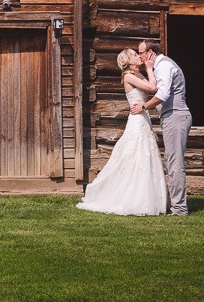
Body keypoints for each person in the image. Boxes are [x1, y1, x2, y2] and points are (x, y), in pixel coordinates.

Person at [77, 48, 169, 215]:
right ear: (128, 61)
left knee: (145, 153)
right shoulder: (128, 76)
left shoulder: (138, 75)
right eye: (135, 55)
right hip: (137, 120)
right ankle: (127, 196)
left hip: (144, 117)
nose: (138, 56)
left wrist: (147, 71)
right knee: (134, 154)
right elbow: (152, 88)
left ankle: (148, 198)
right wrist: (149, 68)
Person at [130, 39, 192, 216]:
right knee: (172, 161)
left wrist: (144, 107)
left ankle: (179, 208)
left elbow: (163, 94)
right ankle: (175, 204)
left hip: (175, 116)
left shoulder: (164, 65)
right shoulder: (158, 67)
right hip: (172, 117)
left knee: (175, 163)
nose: (139, 55)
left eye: (141, 52)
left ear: (150, 52)